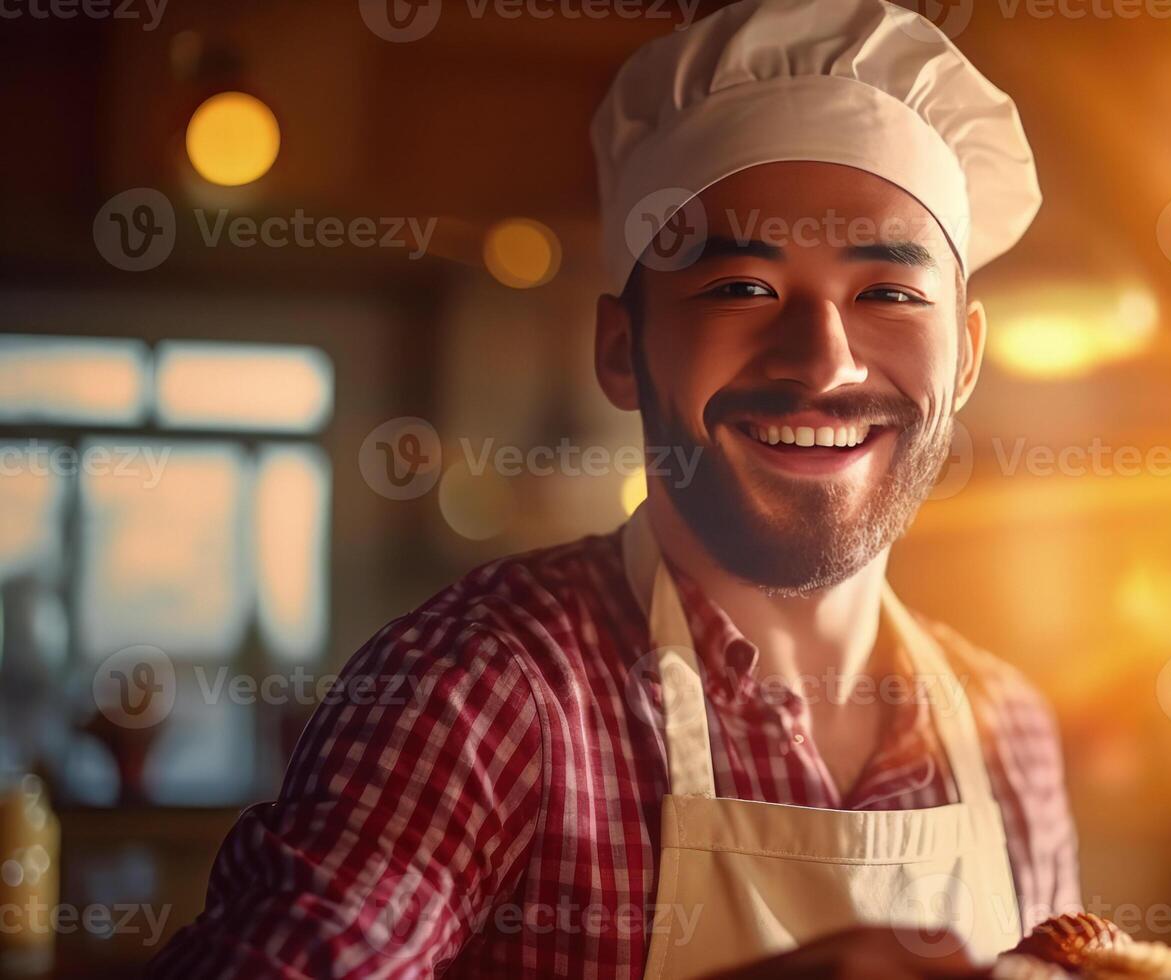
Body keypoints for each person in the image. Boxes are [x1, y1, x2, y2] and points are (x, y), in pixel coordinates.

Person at [149, 0, 1079, 975]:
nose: (823, 361)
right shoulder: (477, 692)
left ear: (965, 358)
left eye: (889, 293)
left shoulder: (1007, 727)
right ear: (620, 350)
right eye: (740, 288)